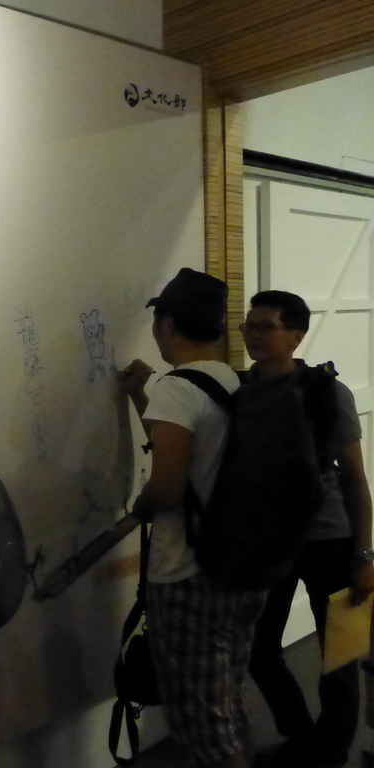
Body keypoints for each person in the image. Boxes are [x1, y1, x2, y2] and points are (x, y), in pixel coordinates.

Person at [121, 267, 265, 768]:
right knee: (227, 701)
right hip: (238, 566)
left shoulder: (177, 388)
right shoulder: (229, 379)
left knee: (201, 722)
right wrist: (140, 395)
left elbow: (167, 485)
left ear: (166, 324)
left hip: (189, 575)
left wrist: (139, 507)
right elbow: (192, 450)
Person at [242, 290, 374, 768]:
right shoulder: (239, 389)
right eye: (248, 326)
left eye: (265, 327)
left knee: (340, 655)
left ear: (296, 335)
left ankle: (331, 753)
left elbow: (355, 477)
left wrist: (365, 554)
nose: (252, 335)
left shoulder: (328, 392)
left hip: (330, 541)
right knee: (257, 650)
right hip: (269, 543)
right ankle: (302, 737)